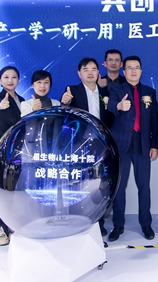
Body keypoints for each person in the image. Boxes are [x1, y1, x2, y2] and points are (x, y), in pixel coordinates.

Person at [107, 55, 158, 241]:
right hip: (122, 146)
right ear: (124, 71)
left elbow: (154, 121)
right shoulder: (116, 89)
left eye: (136, 67)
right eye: (129, 68)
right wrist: (119, 106)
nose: (133, 71)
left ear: (141, 71)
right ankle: (118, 224)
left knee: (144, 186)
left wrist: (155, 145)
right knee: (119, 187)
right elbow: (110, 107)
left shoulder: (149, 92)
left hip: (143, 145)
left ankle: (146, 224)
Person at [61, 57, 114, 236]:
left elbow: (112, 117)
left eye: (93, 69)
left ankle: (98, 222)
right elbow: (65, 113)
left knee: (100, 185)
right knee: (79, 184)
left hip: (101, 145)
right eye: (86, 70)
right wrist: (65, 102)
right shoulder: (72, 91)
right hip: (79, 146)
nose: (90, 73)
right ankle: (78, 221)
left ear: (98, 72)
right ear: (79, 73)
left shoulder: (106, 92)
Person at [0, 66, 25, 246]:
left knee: (10, 190)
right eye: (6, 77)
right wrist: (1, 105)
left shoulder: (22, 100)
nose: (10, 80)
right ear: (0, 80)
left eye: (14, 77)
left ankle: (8, 224)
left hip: (15, 150)